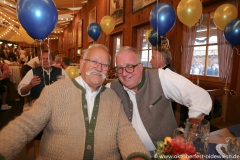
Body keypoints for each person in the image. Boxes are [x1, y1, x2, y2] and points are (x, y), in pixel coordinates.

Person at [0, 44, 151, 160]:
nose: (99, 68)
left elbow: (126, 132)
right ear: (81, 63)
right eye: (94, 61)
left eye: (105, 65)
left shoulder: (112, 97)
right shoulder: (55, 91)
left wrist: (137, 155)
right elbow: (26, 125)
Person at [107, 46, 212, 155]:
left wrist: (189, 134)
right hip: (130, 155)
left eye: (129, 67)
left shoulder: (161, 77)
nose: (124, 73)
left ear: (141, 66)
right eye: (119, 68)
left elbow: (200, 97)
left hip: (165, 153)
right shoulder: (111, 88)